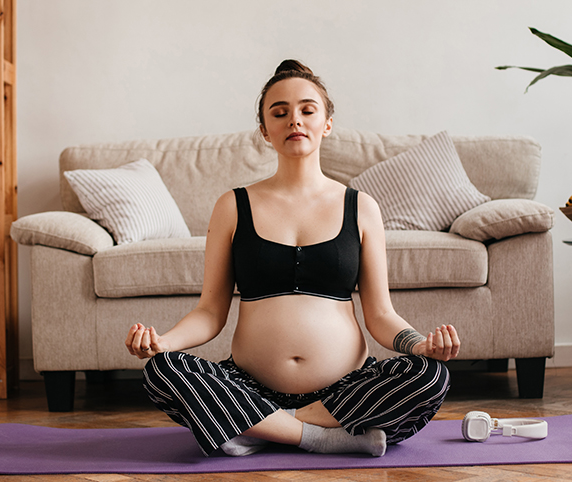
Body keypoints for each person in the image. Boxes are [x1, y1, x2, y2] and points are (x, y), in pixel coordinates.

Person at [125, 59, 460, 458]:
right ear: (265, 131)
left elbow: (381, 315)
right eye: (279, 113)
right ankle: (319, 436)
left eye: (307, 109)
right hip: (249, 384)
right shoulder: (233, 205)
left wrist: (419, 345)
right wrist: (163, 342)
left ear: (327, 123)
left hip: (344, 389)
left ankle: (257, 425)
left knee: (429, 375)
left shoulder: (361, 208)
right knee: (164, 370)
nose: (294, 121)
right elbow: (209, 312)